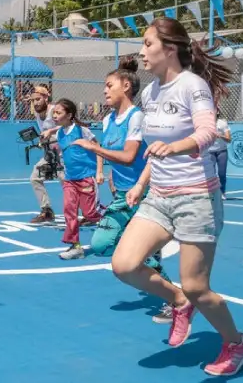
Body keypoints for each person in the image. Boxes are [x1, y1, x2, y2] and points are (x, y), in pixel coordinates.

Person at [111, 17, 243, 377]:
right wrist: (141, 183)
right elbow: (151, 149)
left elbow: (208, 132)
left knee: (197, 286)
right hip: (158, 196)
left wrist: (176, 148)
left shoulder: (194, 86)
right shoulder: (149, 92)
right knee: (124, 265)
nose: (141, 52)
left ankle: (236, 342)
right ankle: (177, 302)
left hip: (196, 198)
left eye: (147, 44)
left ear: (169, 49)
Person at [71, 57, 173, 323]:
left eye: (109, 85)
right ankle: (162, 277)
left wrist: (94, 149)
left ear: (126, 86)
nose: (104, 90)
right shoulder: (107, 121)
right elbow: (113, 153)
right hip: (123, 194)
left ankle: (174, 298)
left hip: (145, 194)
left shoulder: (137, 117)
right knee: (104, 244)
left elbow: (129, 156)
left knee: (117, 248)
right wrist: (106, 172)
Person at [51, 98, 102, 260]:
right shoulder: (59, 132)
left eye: (58, 113)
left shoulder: (82, 131)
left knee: (90, 213)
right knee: (69, 209)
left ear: (69, 115)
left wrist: (100, 171)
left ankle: (116, 220)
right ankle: (75, 246)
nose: (55, 115)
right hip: (70, 179)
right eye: (54, 112)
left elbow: (98, 148)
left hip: (86, 177)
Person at [29, 85, 58, 223]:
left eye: (38, 99)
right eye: (33, 100)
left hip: (64, 154)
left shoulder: (54, 111)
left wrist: (51, 133)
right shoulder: (38, 115)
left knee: (69, 182)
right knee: (35, 177)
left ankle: (91, 210)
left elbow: (68, 125)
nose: (35, 102)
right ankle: (46, 211)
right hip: (50, 153)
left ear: (46, 98)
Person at [210, 110, 231, 199]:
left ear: (217, 113)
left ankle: (222, 192)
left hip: (222, 151)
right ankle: (211, 192)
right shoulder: (206, 124)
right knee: (211, 174)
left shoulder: (222, 123)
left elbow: (229, 139)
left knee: (221, 173)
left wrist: (220, 136)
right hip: (210, 151)